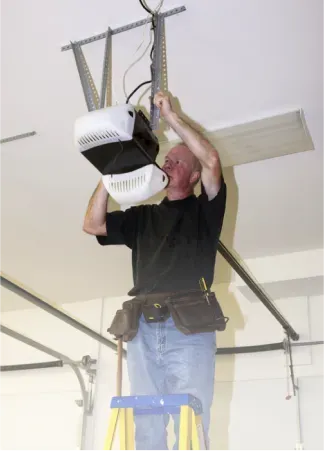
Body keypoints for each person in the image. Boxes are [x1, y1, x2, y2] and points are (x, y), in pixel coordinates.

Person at [83, 91, 227, 450]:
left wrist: (172, 116)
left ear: (194, 176)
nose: (168, 163)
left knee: (191, 421)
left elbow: (211, 159)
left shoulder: (204, 211)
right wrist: (110, 172)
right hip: (143, 329)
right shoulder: (142, 217)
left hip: (189, 327)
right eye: (167, 158)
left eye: (178, 161)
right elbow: (93, 224)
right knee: (145, 427)